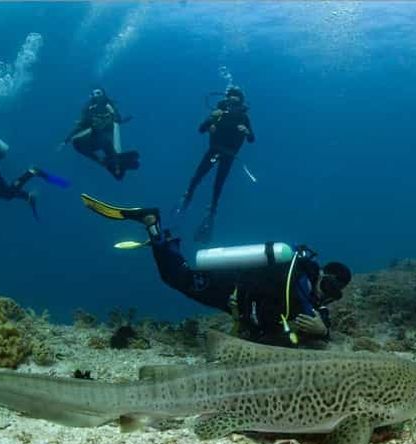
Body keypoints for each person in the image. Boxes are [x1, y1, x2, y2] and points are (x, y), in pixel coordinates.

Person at [81, 194, 351, 346]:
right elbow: (292, 304)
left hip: (235, 297)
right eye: (327, 286)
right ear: (321, 273)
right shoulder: (300, 276)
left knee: (178, 276)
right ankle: (154, 226)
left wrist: (323, 330)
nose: (326, 294)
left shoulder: (312, 297)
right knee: (175, 277)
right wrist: (320, 330)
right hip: (228, 286)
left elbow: (317, 321)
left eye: (334, 293)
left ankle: (162, 236)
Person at [175, 86, 255, 243]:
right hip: (214, 150)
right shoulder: (219, 113)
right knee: (197, 177)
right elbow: (201, 129)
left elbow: (252, 139)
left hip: (229, 155)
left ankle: (211, 210)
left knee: (218, 184)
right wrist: (210, 120)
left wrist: (247, 131)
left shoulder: (243, 118)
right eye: (230, 103)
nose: (232, 107)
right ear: (226, 101)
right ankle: (187, 197)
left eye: (236, 104)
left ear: (241, 104)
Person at [62, 88, 140, 180]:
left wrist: (115, 115)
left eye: (98, 93)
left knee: (107, 144)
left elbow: (117, 120)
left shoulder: (109, 106)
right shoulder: (88, 108)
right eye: (93, 93)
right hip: (93, 139)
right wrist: (66, 140)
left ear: (103, 94)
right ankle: (106, 162)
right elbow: (81, 125)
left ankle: (114, 165)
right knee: (79, 143)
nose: (96, 95)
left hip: (104, 139)